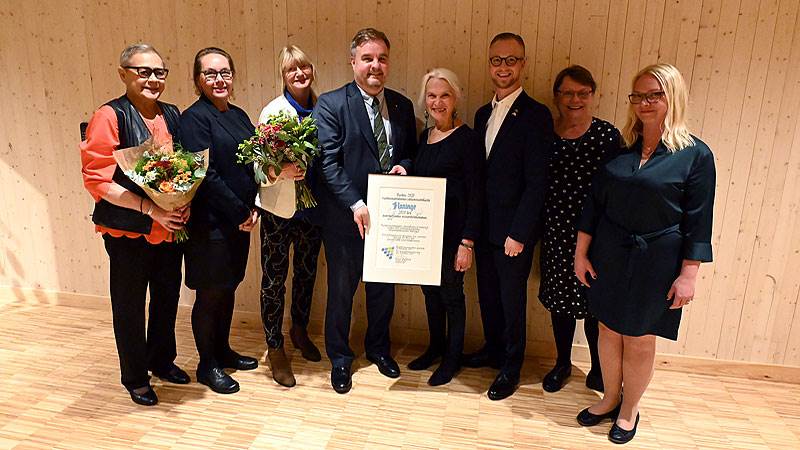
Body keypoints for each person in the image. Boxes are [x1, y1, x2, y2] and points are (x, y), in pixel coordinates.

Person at [574, 63, 715, 444]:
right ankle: (609, 398)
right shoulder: (622, 151)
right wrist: (581, 253)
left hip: (657, 261)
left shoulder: (695, 156)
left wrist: (689, 274)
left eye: (655, 94)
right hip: (610, 254)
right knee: (607, 329)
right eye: (638, 95)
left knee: (638, 336)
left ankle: (629, 409)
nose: (645, 103)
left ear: (673, 98)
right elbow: (593, 206)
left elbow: (699, 222)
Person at [80, 43, 189, 406]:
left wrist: (182, 202)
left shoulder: (172, 113)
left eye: (159, 72)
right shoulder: (109, 116)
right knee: (129, 304)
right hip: (127, 230)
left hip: (168, 228)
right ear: (123, 73)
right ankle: (135, 376)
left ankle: (162, 360)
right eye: (144, 72)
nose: (153, 79)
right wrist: (148, 208)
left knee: (166, 297)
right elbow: (98, 180)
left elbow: (184, 168)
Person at [313, 28, 416, 394]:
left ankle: (378, 349)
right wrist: (356, 203)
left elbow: (410, 152)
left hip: (388, 220)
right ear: (353, 61)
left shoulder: (403, 105)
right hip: (346, 219)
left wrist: (404, 165)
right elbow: (328, 163)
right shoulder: (331, 103)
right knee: (341, 291)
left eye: (382, 58)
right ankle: (340, 358)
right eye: (368, 58)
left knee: (382, 290)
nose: (376, 65)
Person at [462, 32, 554, 401]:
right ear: (489, 65)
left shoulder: (536, 115)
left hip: (513, 233)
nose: (504, 67)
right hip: (484, 228)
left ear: (523, 64)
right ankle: (493, 348)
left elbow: (538, 183)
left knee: (512, 300)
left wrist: (520, 233)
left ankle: (511, 365)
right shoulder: (482, 113)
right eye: (497, 60)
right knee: (488, 295)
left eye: (511, 60)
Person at [180, 47, 260, 395]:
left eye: (224, 72)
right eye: (210, 73)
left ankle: (223, 350)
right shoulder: (194, 118)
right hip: (210, 224)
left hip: (239, 221)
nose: (218, 79)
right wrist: (241, 211)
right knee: (210, 295)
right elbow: (206, 175)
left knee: (228, 289)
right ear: (198, 80)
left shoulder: (240, 115)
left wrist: (255, 205)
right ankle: (206, 363)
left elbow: (255, 162)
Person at [538, 65, 621, 393]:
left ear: (593, 96)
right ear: (557, 97)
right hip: (555, 231)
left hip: (595, 236)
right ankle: (562, 362)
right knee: (560, 302)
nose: (575, 99)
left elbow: (617, 190)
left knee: (592, 304)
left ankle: (598, 368)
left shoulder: (607, 136)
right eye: (568, 93)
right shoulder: (546, 133)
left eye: (582, 93)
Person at [406, 68, 483, 386]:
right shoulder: (425, 136)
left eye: (444, 95)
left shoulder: (468, 140)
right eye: (432, 95)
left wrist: (467, 243)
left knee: (452, 296)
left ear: (455, 99)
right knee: (430, 293)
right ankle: (435, 347)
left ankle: (452, 358)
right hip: (426, 236)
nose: (437, 102)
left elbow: (478, 195)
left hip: (454, 237)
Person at [256, 45, 323, 388]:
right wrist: (279, 170)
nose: (299, 74)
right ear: (282, 75)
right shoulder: (273, 111)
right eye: (290, 70)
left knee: (307, 273)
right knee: (274, 279)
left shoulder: (322, 107)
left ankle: (299, 330)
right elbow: (258, 164)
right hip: (278, 209)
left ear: (312, 70)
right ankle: (275, 345)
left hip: (313, 209)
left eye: (304, 67)